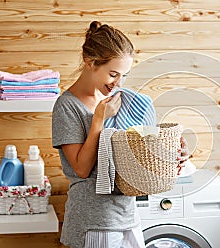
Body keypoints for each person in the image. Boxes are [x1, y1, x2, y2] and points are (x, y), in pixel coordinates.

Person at [52, 21, 189, 248]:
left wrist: (172, 151)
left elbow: (140, 151)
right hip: (94, 220)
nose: (119, 83)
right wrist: (99, 119)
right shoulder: (67, 106)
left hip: (128, 214)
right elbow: (81, 168)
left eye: (124, 75)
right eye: (113, 74)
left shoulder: (124, 101)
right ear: (91, 63)